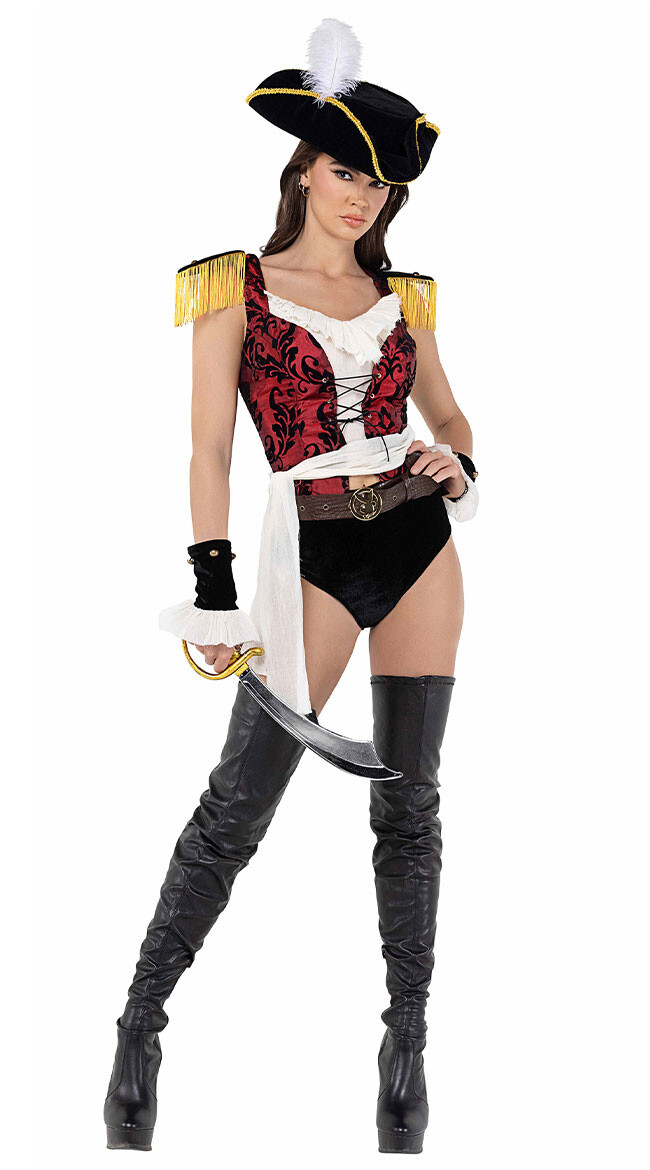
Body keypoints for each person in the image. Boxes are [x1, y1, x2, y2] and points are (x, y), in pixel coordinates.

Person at [103, 16, 479, 1155]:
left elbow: (452, 418)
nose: (361, 196)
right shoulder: (237, 285)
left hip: (419, 542)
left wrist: (456, 461)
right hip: (306, 547)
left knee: (409, 803)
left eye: (377, 181)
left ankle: (405, 1045)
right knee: (241, 801)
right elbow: (208, 450)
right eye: (344, 171)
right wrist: (214, 591)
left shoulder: (408, 296)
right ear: (304, 169)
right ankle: (139, 1025)